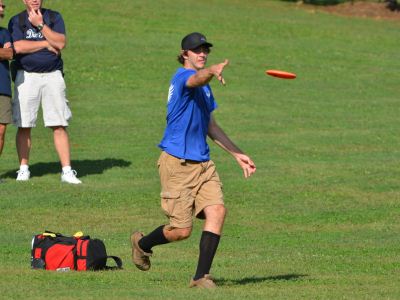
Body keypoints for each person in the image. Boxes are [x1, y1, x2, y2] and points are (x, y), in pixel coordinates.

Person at [131, 32, 256, 288]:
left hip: (203, 164)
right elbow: (196, 78)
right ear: (184, 53)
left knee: (218, 211)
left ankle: (200, 277)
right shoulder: (182, 79)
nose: (202, 53)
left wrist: (237, 154)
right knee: (181, 231)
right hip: (177, 165)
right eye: (197, 50)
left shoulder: (205, 89)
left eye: (205, 50)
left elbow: (212, 126)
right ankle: (141, 244)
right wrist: (210, 70)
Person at [8, 0, 81, 184]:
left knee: (59, 123)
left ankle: (66, 171)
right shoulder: (17, 20)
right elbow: (18, 47)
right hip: (26, 76)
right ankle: (23, 169)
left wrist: (40, 25)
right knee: (24, 124)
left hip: (52, 76)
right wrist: (46, 44)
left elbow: (61, 43)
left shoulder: (54, 17)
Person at [0, 0, 13, 158]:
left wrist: (4, 52)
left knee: (1, 131)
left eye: (3, 6)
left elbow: (9, 54)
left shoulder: (4, 33)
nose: (2, 9)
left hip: (2, 87)